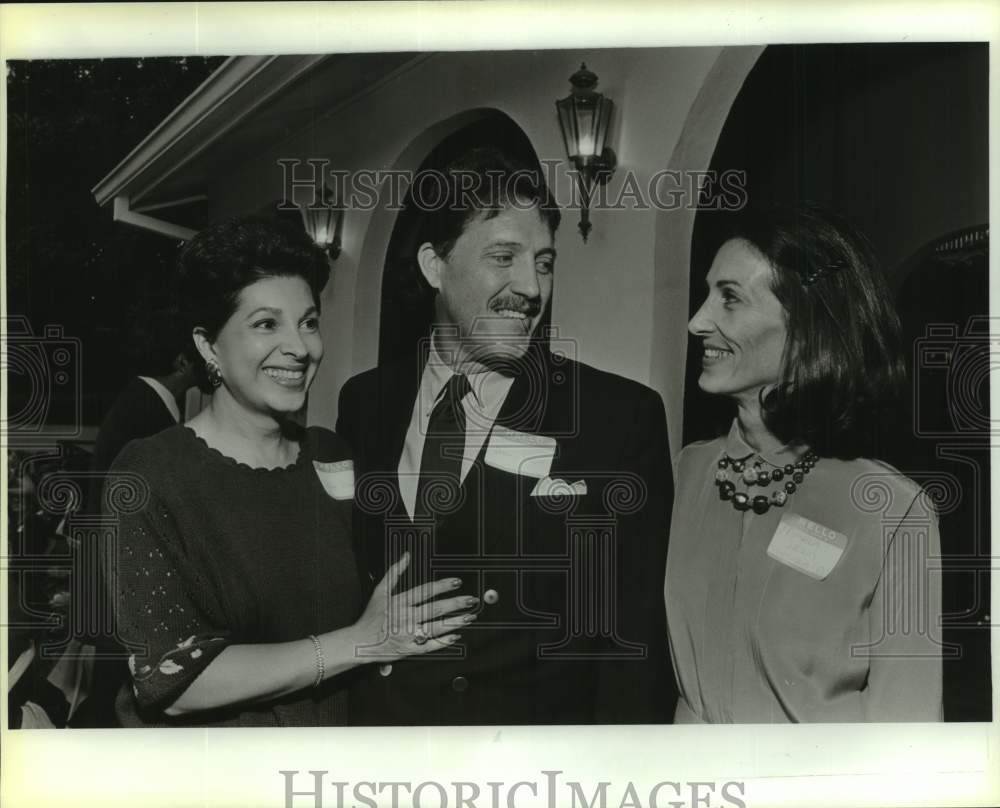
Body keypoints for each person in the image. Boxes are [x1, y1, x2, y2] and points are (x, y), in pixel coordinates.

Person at [337, 148, 675, 724]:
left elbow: (633, 646)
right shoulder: (366, 401)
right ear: (434, 266)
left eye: (544, 263)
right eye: (503, 257)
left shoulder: (618, 417)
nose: (532, 287)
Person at [105, 215, 471, 726]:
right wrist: (357, 643)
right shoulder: (150, 473)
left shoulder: (333, 455)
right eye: (266, 324)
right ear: (209, 346)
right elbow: (171, 679)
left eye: (309, 322)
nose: (300, 348)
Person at [667, 204, 943, 723]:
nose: (697, 321)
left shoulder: (892, 510)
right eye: (707, 295)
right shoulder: (686, 473)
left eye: (730, 298)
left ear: (807, 326)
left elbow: (909, 735)